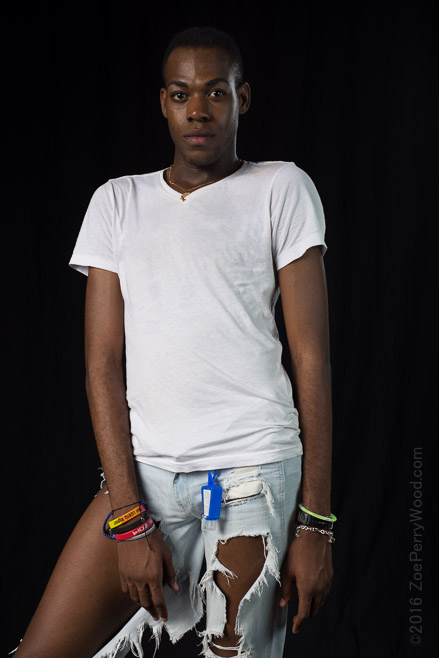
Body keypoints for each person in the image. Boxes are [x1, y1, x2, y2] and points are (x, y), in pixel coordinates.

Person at [14, 26, 335, 658]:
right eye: (182, 94)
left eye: (216, 92)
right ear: (163, 102)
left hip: (254, 474)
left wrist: (318, 523)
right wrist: (129, 516)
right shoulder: (117, 202)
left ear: (243, 98)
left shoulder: (282, 188)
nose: (198, 110)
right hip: (149, 476)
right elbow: (102, 365)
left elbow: (312, 359)